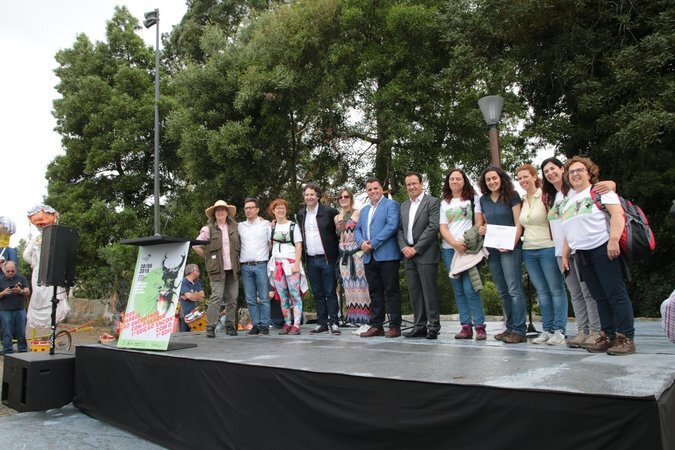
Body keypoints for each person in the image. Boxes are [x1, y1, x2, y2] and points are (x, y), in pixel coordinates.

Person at [561, 156, 636, 355]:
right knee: (599, 298)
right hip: (582, 254)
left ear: (589, 173)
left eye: (580, 170)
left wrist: (613, 240)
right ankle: (608, 335)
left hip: (602, 248)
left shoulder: (600, 191)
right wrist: (565, 255)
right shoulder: (568, 202)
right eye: (571, 172)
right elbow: (569, 230)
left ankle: (626, 338)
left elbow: (617, 215)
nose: (575, 174)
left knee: (616, 294)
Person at [540, 157, 614, 348]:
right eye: (546, 171)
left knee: (589, 292)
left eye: (553, 169)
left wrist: (611, 184)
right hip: (561, 251)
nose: (550, 173)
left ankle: (596, 331)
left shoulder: (575, 190)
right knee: (575, 293)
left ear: (562, 169)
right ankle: (583, 330)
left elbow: (605, 187)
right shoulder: (550, 197)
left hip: (580, 248)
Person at [516, 164, 568, 346]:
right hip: (529, 250)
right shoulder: (523, 200)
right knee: (542, 291)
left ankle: (559, 330)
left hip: (548, 247)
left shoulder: (546, 196)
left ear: (534, 176)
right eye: (519, 178)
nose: (523, 180)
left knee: (556, 289)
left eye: (525, 176)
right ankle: (547, 329)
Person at [475, 166, 527, 344]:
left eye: (494, 178)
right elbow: (486, 223)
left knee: (514, 289)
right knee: (503, 291)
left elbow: (519, 223)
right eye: (488, 179)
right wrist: (482, 229)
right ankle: (510, 328)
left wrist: (511, 243)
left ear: (501, 178)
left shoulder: (512, 195)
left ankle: (519, 330)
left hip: (511, 248)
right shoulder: (484, 199)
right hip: (493, 249)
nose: (492, 182)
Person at [439, 169, 487, 340]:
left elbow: (479, 220)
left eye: (458, 178)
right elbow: (443, 227)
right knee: (458, 289)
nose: (455, 181)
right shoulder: (444, 203)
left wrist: (467, 240)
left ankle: (480, 326)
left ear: (464, 181)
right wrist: (454, 244)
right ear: (448, 182)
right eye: (452, 179)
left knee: (470, 288)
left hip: (469, 249)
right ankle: (465, 327)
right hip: (449, 249)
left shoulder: (474, 198)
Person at [355, 177, 402, 338]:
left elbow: (391, 226)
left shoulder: (391, 205)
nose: (373, 191)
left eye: (376, 188)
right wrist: (361, 243)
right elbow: (357, 229)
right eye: (370, 189)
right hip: (369, 257)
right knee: (375, 292)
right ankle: (377, 325)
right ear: (367, 192)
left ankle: (395, 326)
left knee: (392, 291)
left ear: (382, 189)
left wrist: (373, 243)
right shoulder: (364, 210)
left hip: (387, 256)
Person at [397, 172, 441, 339]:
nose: (411, 187)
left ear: (421, 184)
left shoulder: (432, 202)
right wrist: (404, 247)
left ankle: (433, 326)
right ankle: (419, 326)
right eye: (408, 184)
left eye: (414, 183)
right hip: (408, 254)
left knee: (429, 291)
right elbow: (399, 229)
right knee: (414, 292)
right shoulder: (403, 206)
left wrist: (416, 248)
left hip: (426, 253)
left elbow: (433, 227)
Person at [296, 183, 341, 335]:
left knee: (330, 292)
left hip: (327, 258)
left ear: (318, 196)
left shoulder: (329, 212)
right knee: (318, 293)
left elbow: (338, 231)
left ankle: (334, 322)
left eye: (312, 194)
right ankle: (322, 323)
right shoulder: (301, 214)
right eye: (307, 194)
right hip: (311, 259)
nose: (309, 197)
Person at [193, 200, 241, 338]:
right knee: (216, 297)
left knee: (232, 298)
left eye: (222, 209)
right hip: (217, 269)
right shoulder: (208, 229)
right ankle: (210, 326)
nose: (220, 212)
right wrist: (208, 258)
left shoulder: (235, 227)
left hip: (233, 268)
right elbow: (195, 245)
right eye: (217, 210)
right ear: (214, 213)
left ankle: (230, 326)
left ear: (227, 212)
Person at [23, 205, 70, 328]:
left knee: (47, 293)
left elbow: (26, 255)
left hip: (41, 270)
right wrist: (35, 263)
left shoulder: (40, 239)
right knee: (47, 293)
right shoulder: (41, 239)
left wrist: (35, 263)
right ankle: (51, 319)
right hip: (49, 269)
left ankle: (51, 320)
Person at [267, 199, 307, 335]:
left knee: (295, 295)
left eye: (283, 207)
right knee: (283, 296)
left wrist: (296, 264)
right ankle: (287, 322)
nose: (280, 210)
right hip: (277, 265)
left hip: (290, 264)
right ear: (273, 211)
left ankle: (296, 324)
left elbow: (299, 246)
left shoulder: (293, 226)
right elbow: (270, 246)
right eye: (277, 208)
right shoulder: (271, 228)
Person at [334, 188, 371, 334]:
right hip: (344, 256)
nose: (343, 199)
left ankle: (368, 321)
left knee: (362, 287)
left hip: (357, 254)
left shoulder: (358, 213)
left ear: (351, 198)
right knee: (349, 290)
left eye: (346, 196)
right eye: (341, 197)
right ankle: (357, 320)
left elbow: (363, 231)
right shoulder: (336, 218)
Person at [238, 198, 272, 336]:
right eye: (246, 208)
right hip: (245, 266)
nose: (249, 210)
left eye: (251, 207)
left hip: (261, 264)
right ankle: (256, 325)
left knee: (263, 297)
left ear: (257, 209)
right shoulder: (240, 226)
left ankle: (265, 325)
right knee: (250, 298)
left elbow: (271, 243)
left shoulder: (266, 224)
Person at [0, 261, 30, 354]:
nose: (10, 273)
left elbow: (27, 291)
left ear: (15, 269)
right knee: (7, 332)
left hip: (20, 309)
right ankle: (7, 351)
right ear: (5, 270)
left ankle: (23, 350)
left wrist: (20, 291)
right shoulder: (1, 280)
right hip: (5, 310)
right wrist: (3, 293)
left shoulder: (21, 278)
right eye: (8, 271)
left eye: (12, 271)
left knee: (21, 332)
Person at [178, 264, 205, 332]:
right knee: (184, 335)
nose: (199, 272)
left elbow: (202, 296)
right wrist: (194, 295)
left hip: (197, 315)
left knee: (198, 335)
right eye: (198, 270)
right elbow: (189, 296)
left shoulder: (198, 282)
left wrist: (189, 296)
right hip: (186, 315)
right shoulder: (183, 281)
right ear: (192, 272)